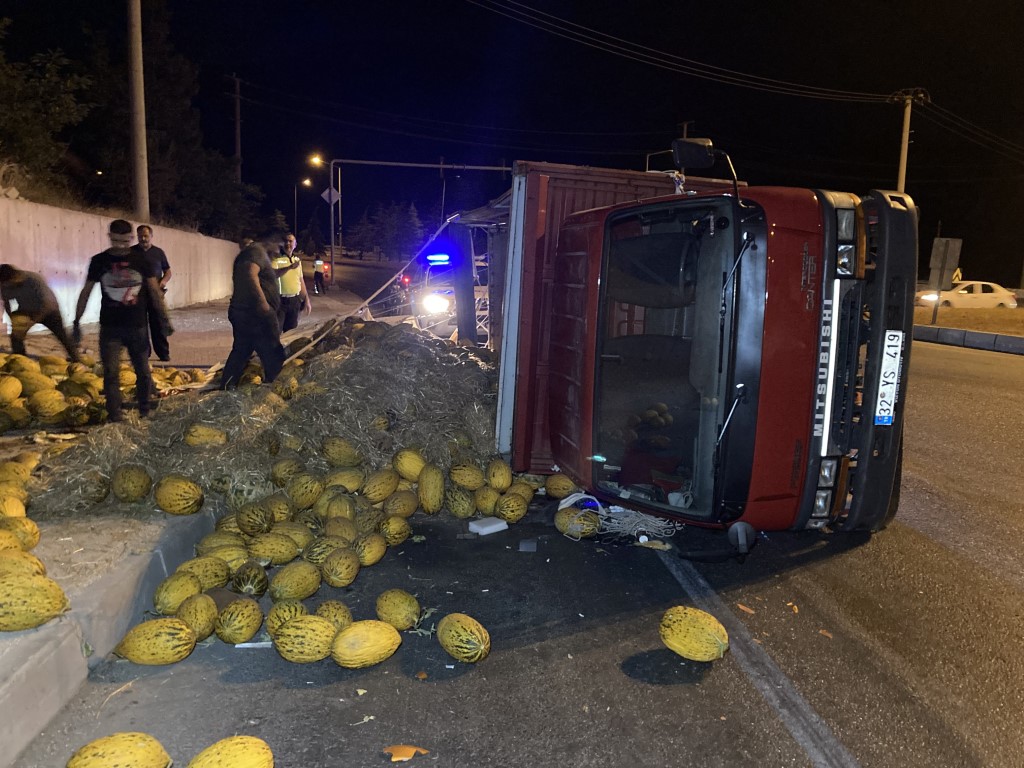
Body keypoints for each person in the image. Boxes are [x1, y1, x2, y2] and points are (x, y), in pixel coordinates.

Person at [73, 219, 173, 421]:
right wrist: (76, 321)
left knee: (143, 371)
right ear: (110, 237)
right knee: (111, 373)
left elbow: (154, 291)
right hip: (110, 327)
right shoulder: (99, 261)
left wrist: (164, 319)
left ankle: (145, 411)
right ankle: (115, 414)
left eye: (124, 242)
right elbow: (86, 292)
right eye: (116, 241)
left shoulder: (141, 261)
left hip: (137, 326)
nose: (120, 247)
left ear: (131, 239)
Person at [220, 239, 286, 389]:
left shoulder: (255, 254)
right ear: (269, 240)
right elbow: (250, 274)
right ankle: (276, 390)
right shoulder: (256, 252)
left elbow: (262, 275)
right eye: (279, 245)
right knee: (273, 353)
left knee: (241, 352)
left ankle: (226, 389)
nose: (279, 251)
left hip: (245, 313)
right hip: (256, 316)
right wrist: (264, 306)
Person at [0, 264, 80, 362]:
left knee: (62, 336)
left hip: (48, 311)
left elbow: (48, 303)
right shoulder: (5, 284)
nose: (6, 286)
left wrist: (33, 320)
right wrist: (13, 319)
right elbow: (7, 303)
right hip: (26, 311)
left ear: (14, 276)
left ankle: (77, 359)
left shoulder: (33, 280)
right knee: (16, 336)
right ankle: (21, 360)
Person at [131, 224, 172, 361]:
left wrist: (163, 281)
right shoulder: (131, 253)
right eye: (140, 236)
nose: (143, 238)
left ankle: (163, 353)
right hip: (137, 295)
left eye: (146, 236)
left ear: (151, 236)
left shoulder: (158, 252)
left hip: (155, 294)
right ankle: (144, 354)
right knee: (140, 326)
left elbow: (168, 271)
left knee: (159, 325)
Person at [272, 233, 310, 331]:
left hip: (295, 301)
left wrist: (306, 299)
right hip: (280, 302)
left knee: (291, 332)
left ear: (295, 244)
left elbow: (300, 281)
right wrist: (289, 267)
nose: (288, 243)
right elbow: (273, 275)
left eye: (291, 241)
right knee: (276, 331)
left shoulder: (297, 261)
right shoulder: (276, 259)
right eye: (286, 241)